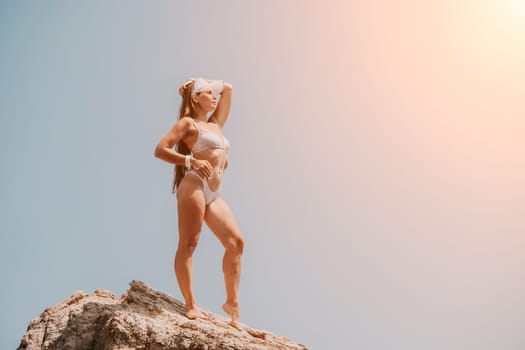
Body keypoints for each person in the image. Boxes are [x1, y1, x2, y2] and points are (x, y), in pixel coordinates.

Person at [154, 78, 245, 331]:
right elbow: (160, 149)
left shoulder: (215, 123)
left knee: (236, 243)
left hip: (213, 194)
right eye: (208, 93)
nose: (214, 96)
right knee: (189, 243)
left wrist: (205, 83)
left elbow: (229, 88)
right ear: (196, 98)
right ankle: (191, 304)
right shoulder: (188, 124)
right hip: (193, 184)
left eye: (213, 94)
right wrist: (190, 162)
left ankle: (231, 303)